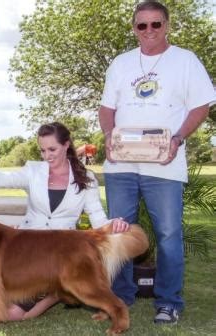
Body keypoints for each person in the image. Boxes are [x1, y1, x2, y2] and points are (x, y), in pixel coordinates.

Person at [98, 0, 216, 325]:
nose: (149, 31)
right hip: (121, 165)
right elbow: (107, 109)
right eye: (142, 25)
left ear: (167, 25)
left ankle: (169, 302)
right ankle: (120, 298)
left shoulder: (185, 61)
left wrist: (177, 139)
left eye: (156, 24)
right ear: (135, 29)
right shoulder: (120, 64)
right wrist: (108, 135)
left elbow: (201, 106)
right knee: (118, 233)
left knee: (167, 235)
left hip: (164, 165)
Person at [0, 121, 129, 321]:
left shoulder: (86, 178)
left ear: (66, 145)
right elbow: (6, 178)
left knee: (13, 313)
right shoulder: (33, 171)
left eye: (52, 149)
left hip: (62, 256)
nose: (47, 156)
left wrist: (114, 224)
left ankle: (60, 287)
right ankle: (56, 292)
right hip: (29, 256)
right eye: (43, 150)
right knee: (9, 314)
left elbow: (97, 216)